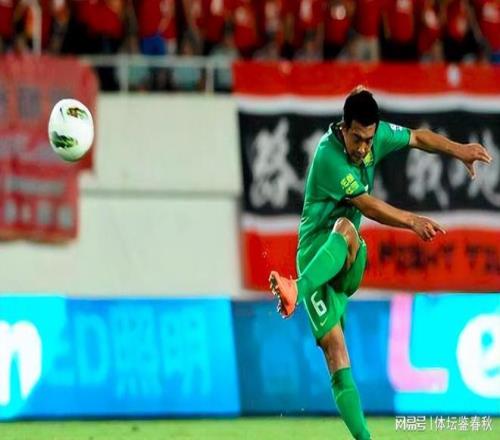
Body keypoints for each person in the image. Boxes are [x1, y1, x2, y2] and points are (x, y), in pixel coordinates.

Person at [268, 88, 492, 440]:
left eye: (368, 140)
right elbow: (367, 205)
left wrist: (459, 150)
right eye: (357, 138)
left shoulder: (375, 137)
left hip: (347, 260)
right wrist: (411, 220)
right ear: (344, 128)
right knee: (336, 354)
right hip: (314, 257)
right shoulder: (328, 155)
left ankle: (296, 287)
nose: (363, 148)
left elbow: (417, 137)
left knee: (347, 230)